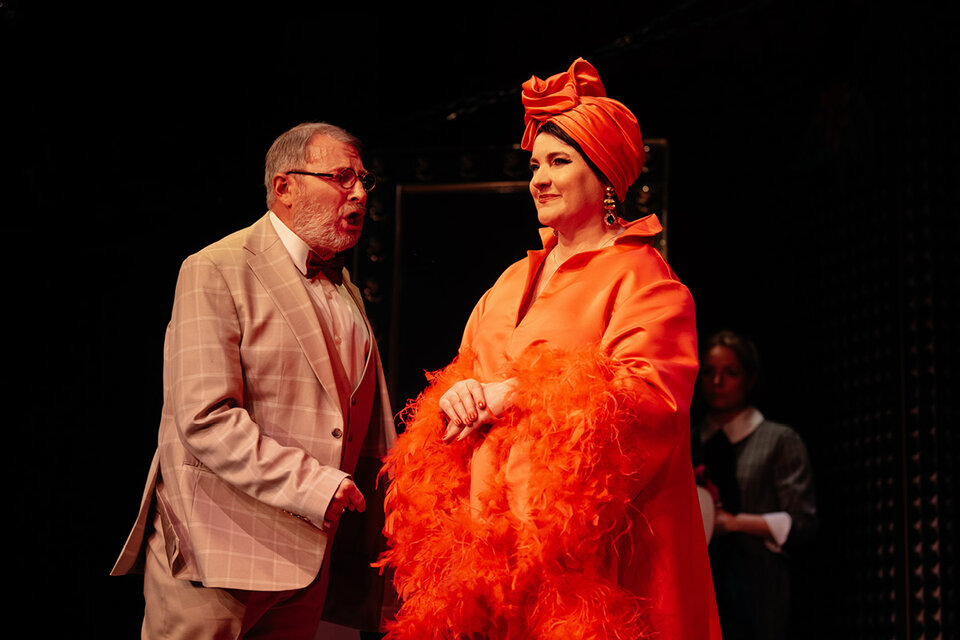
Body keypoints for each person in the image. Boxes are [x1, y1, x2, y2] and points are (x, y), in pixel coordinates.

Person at [377, 58, 721, 639]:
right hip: (490, 563)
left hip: (585, 569)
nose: (538, 178)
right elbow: (460, 378)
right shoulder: (509, 281)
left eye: (559, 162)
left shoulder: (645, 280)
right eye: (534, 164)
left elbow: (648, 403)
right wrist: (454, 397)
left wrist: (513, 394)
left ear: (605, 177)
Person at [111, 122, 397, 639]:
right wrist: (316, 486)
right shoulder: (215, 268)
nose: (359, 192)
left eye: (363, 179)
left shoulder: (345, 289)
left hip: (310, 562)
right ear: (284, 186)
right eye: (341, 177)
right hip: (219, 555)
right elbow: (205, 419)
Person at [694, 330, 817, 639]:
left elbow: (801, 523)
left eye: (731, 373)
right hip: (700, 583)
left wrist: (733, 523)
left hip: (757, 587)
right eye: (709, 372)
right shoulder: (689, 443)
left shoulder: (778, 440)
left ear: (749, 379)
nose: (717, 382)